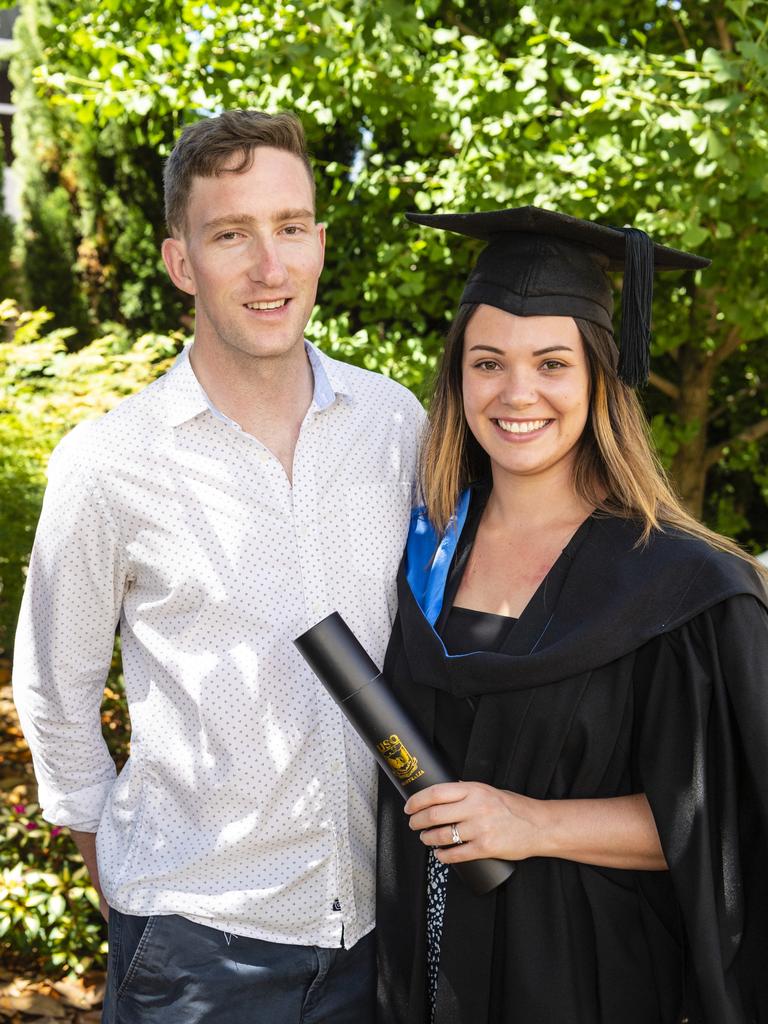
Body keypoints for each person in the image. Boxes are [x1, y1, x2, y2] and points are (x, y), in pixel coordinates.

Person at [13, 109, 425, 1023]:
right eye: (231, 234)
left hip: (379, 938)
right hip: (197, 951)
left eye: (289, 228)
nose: (269, 267)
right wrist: (121, 883)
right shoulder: (110, 463)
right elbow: (53, 688)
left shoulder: (397, 426)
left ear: (319, 240)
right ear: (180, 262)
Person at [375, 206, 768, 1024]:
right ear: (458, 378)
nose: (517, 393)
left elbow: (732, 819)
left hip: (593, 979)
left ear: (599, 377)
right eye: (488, 362)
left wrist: (534, 822)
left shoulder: (684, 585)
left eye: (552, 362)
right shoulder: (427, 559)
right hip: (429, 968)